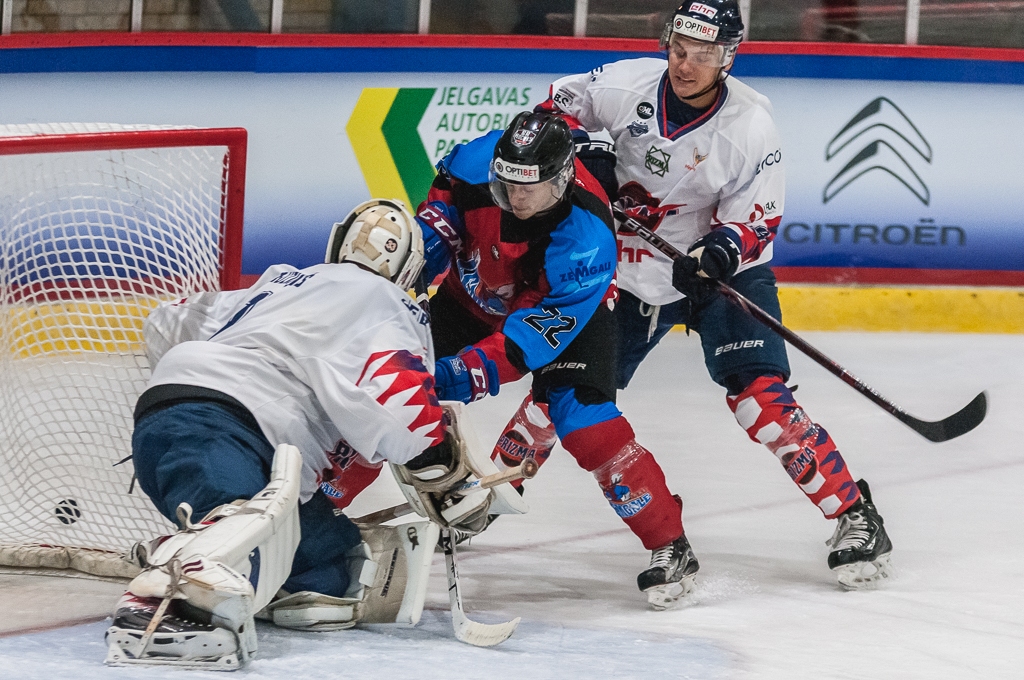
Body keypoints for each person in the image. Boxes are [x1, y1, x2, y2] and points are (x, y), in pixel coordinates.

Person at [531, 0, 893, 596]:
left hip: (719, 270)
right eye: (679, 49)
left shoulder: (752, 124)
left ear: (727, 59)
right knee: (561, 396)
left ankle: (854, 515)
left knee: (760, 400)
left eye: (703, 55)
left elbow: (760, 220)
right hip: (631, 267)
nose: (686, 65)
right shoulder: (625, 84)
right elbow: (553, 110)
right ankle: (483, 500)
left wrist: (721, 251)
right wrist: (574, 151)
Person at [104, 200, 494, 669]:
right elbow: (402, 412)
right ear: (409, 270)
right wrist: (438, 460)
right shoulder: (390, 302)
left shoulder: (281, 280)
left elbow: (165, 322)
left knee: (330, 572)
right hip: (230, 430)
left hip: (170, 415)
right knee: (242, 528)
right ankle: (161, 595)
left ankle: (237, 562)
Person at [418, 111, 693, 609]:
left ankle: (669, 543)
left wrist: (450, 377)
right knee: (390, 381)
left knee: (582, 419)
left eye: (530, 188)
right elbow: (437, 221)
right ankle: (324, 508)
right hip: (471, 292)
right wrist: (420, 259)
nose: (516, 198)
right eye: (507, 186)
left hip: (557, 306)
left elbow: (523, 346)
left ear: (563, 179)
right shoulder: (475, 162)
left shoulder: (587, 239)